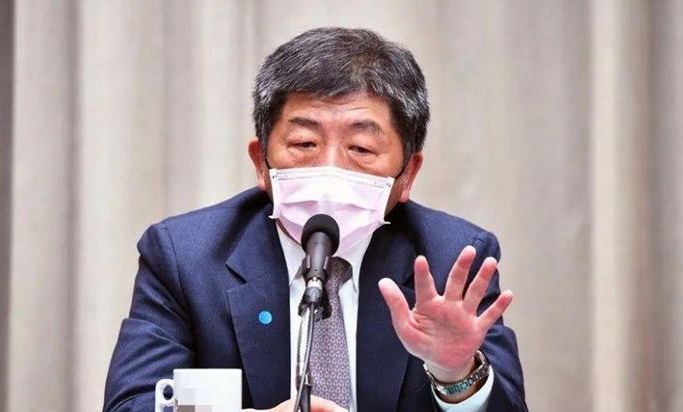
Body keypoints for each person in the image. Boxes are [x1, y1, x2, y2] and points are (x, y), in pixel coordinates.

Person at [103, 27, 527, 412]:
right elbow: (131, 405)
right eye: (305, 143)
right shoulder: (186, 258)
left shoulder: (451, 260)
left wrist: (457, 374)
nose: (330, 169)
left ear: (408, 175)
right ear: (261, 162)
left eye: (361, 148)